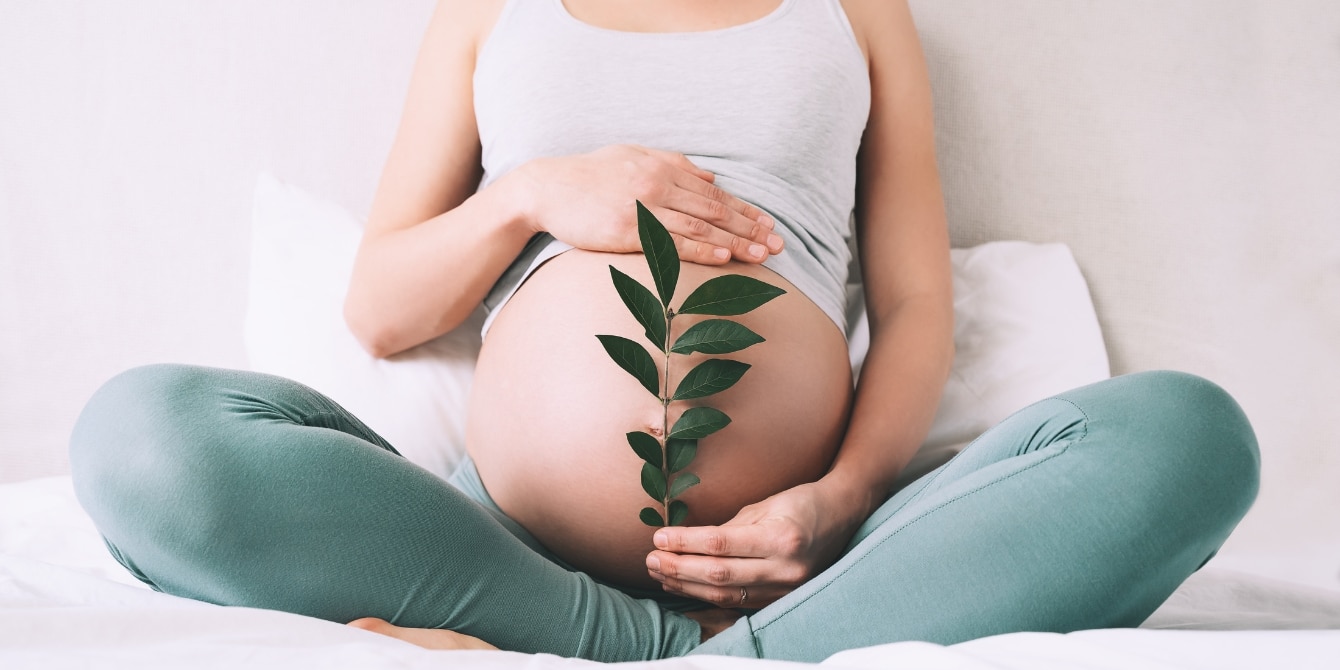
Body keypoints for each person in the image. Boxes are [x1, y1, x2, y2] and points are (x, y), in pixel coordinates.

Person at [68, 0, 1260, 663]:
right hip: (504, 548)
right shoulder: (489, 12)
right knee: (137, 439)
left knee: (1189, 436)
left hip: (817, 552)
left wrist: (834, 501)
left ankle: (750, 643)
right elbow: (380, 307)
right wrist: (533, 194)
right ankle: (642, 644)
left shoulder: (857, 12)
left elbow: (911, 309)